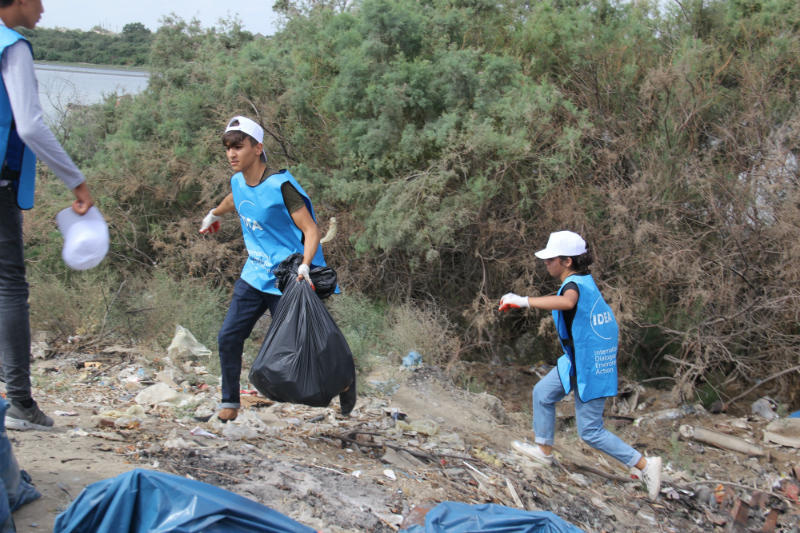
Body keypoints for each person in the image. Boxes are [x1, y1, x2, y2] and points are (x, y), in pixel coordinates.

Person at [200, 116, 354, 421]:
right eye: (228, 148)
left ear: (257, 148)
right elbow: (237, 198)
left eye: (238, 147)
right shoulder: (238, 180)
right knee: (228, 337)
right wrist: (214, 213)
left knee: (310, 345)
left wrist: (306, 266)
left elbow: (311, 230)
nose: (231, 154)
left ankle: (346, 382)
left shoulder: (281, 187)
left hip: (288, 277)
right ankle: (229, 404)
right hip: (254, 274)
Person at [499, 231, 662, 500]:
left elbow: (567, 302)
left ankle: (645, 465)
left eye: (550, 259)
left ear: (567, 261)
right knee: (543, 393)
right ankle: (543, 453)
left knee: (590, 431)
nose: (546, 263)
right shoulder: (582, 281)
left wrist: (522, 301)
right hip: (578, 361)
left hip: (591, 366)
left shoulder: (574, 286)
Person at [0, 0, 94, 430]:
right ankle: (19, 404)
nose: (43, 7)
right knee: (9, 288)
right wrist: (76, 181)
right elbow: (31, 126)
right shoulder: (12, 46)